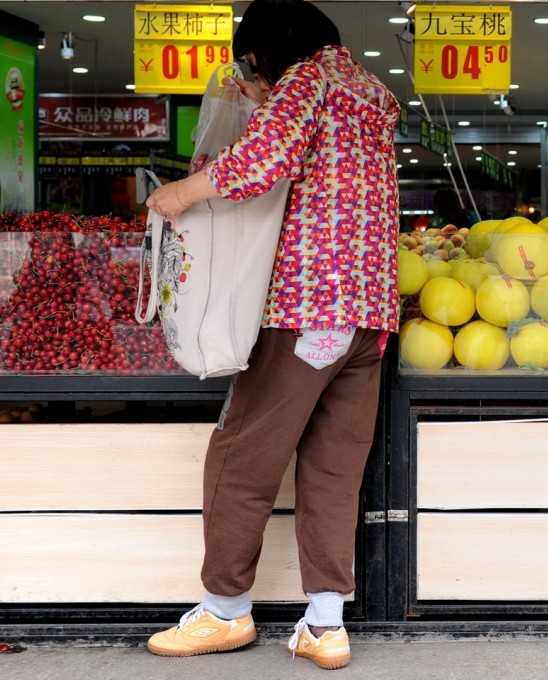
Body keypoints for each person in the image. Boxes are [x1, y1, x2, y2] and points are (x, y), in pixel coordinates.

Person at [143, 0, 401, 670]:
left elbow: (263, 158)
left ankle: (224, 610)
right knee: (333, 467)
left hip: (307, 306)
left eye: (253, 62)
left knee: (240, 457)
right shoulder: (371, 90)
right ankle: (325, 624)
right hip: (366, 315)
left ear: (267, 51)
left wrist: (184, 192)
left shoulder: (308, 80)